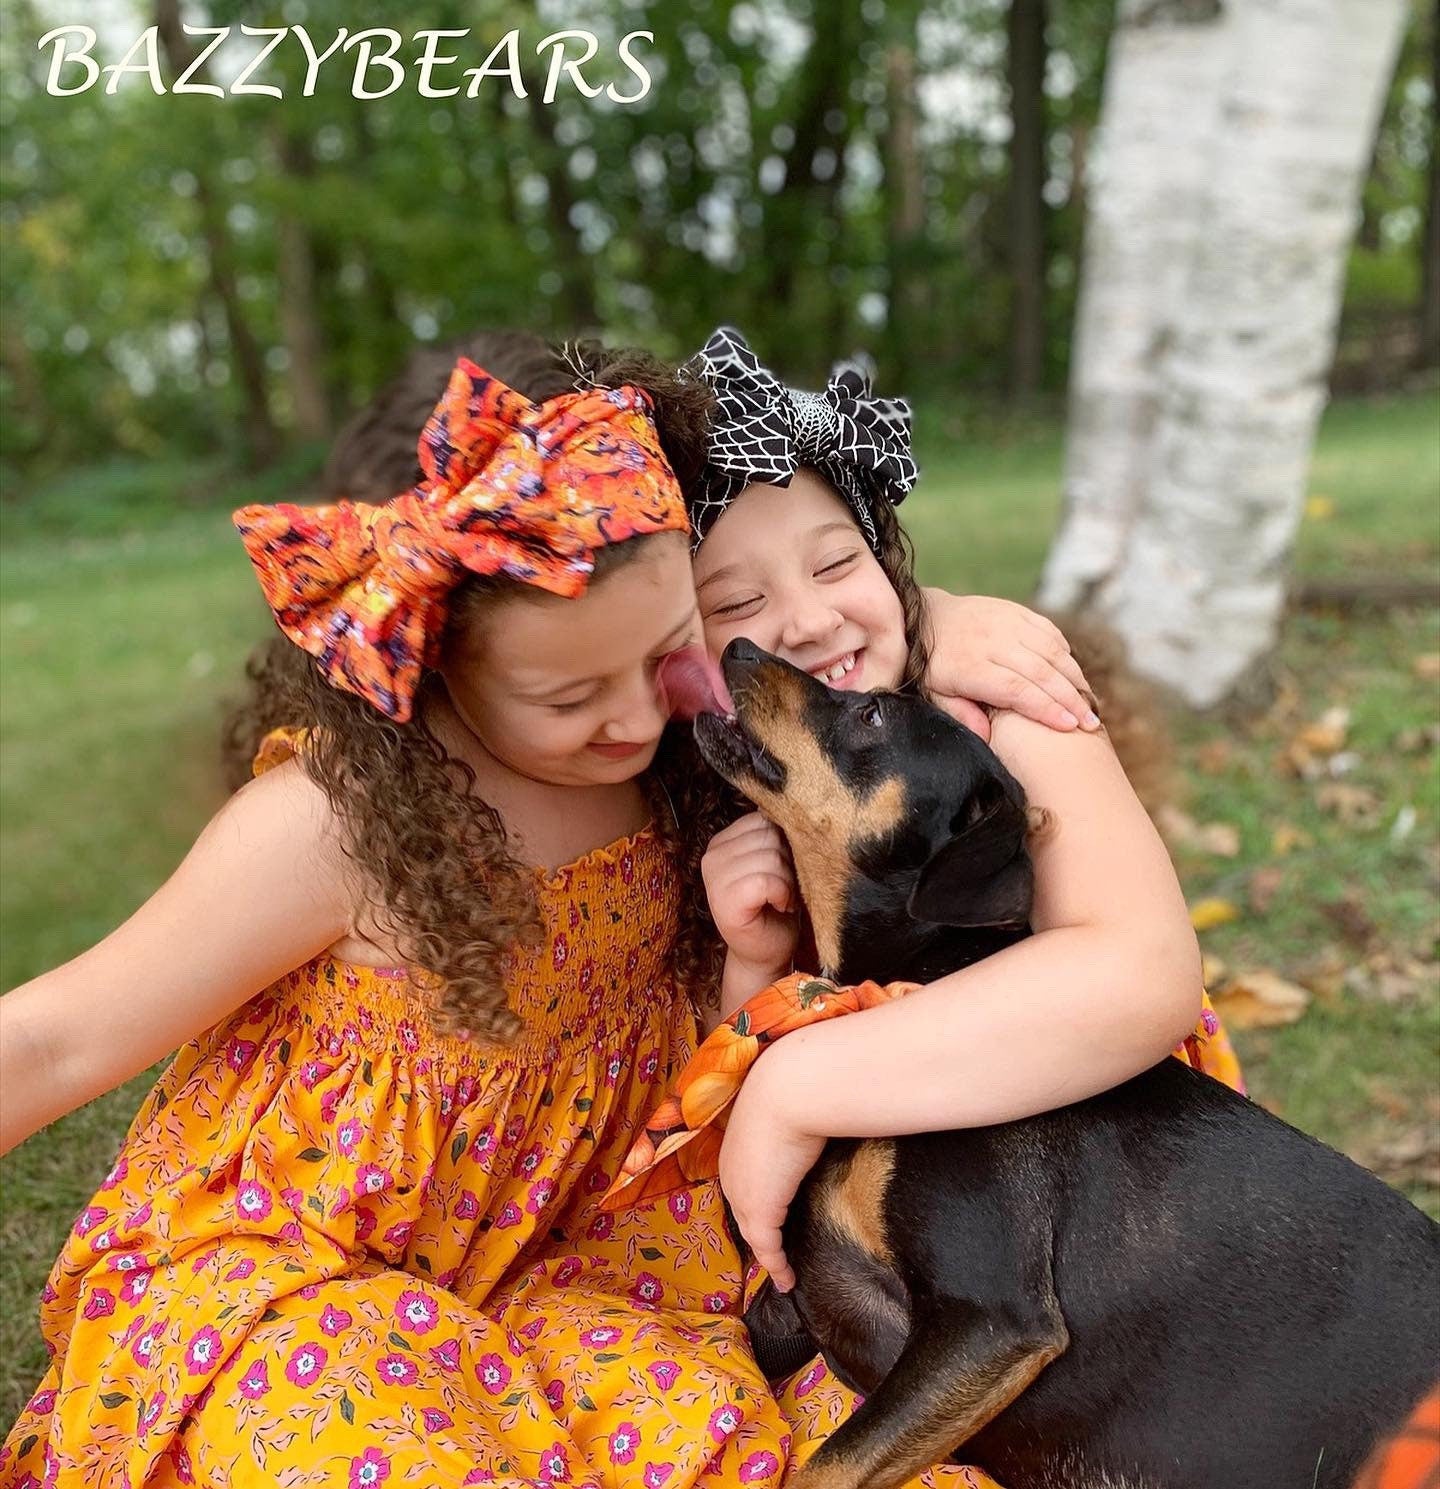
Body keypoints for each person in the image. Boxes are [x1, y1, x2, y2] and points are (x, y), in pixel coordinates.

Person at [0, 335, 1083, 1489]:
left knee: (845, 1438)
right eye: (571, 695)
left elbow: (813, 594)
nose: (636, 717)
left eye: (670, 650)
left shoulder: (695, 753)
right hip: (302, 1282)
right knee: (363, 1435)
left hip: (587, 1273)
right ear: (430, 667)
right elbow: (58, 1037)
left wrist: (944, 613)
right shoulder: (330, 830)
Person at [673, 328, 1239, 1474]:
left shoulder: (1007, 718)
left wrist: (795, 1085)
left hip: (1093, 1168)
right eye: (734, 598)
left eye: (840, 567)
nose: (808, 621)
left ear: (890, 558)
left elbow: (1140, 973)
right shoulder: (742, 771)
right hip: (894, 1241)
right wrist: (746, 966)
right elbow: (726, 1052)